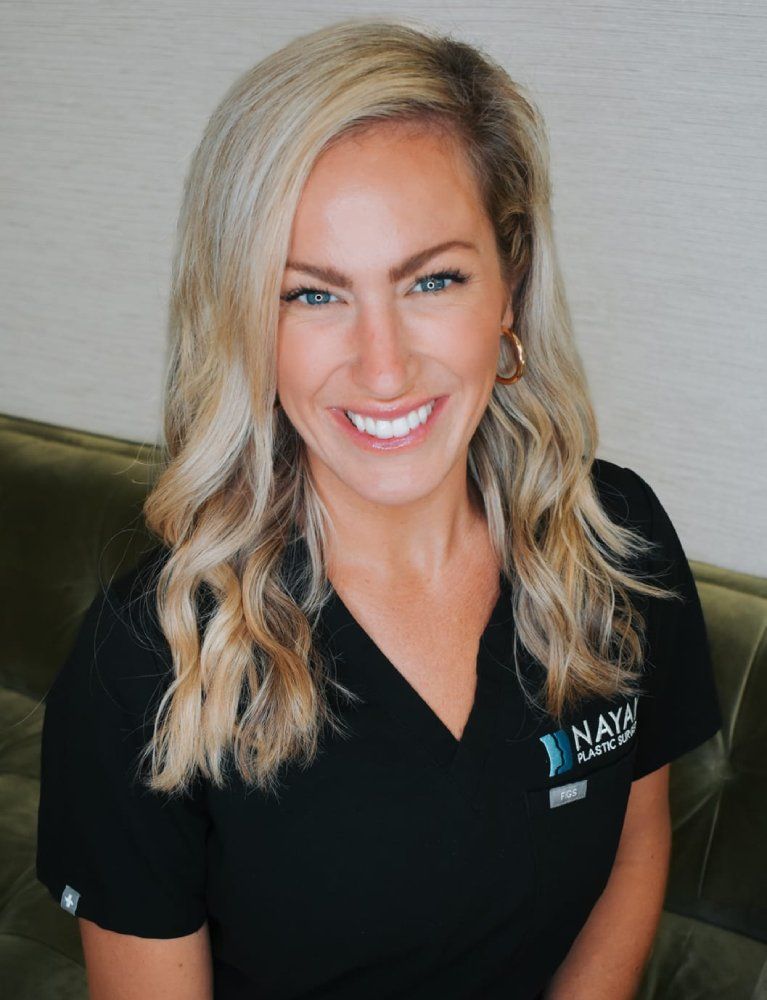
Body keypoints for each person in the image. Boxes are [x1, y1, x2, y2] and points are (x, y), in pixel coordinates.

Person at [36, 16, 722, 1000]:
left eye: (431, 279)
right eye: (311, 296)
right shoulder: (143, 671)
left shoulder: (617, 542)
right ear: (243, 321)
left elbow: (631, 840)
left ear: (508, 289)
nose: (384, 366)